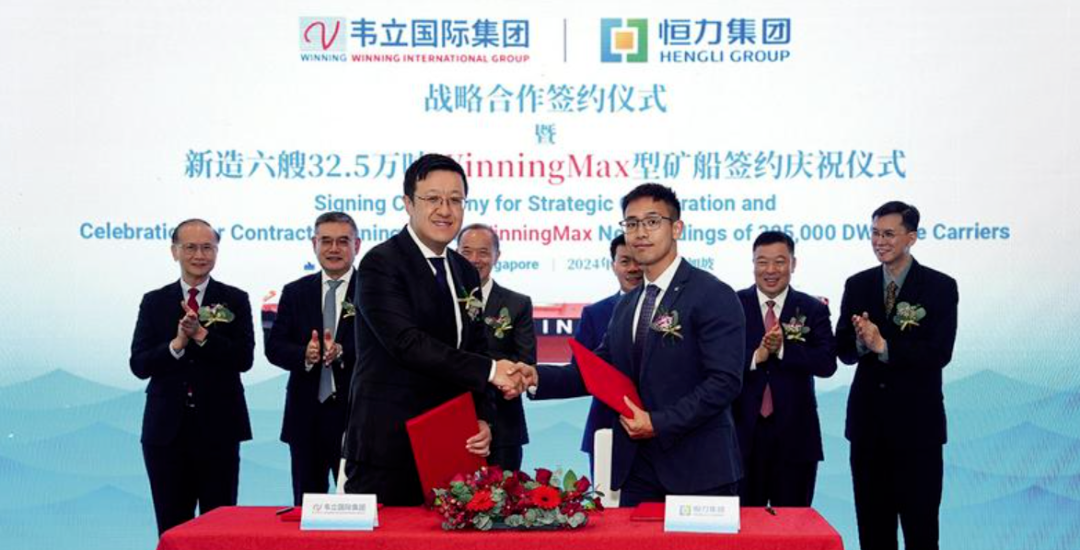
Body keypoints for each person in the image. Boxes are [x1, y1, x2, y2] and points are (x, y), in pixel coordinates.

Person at [522, 183, 745, 506]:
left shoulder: (712, 294)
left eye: (652, 221)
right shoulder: (628, 304)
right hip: (637, 470)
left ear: (677, 228)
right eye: (631, 223)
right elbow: (598, 370)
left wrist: (657, 423)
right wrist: (535, 376)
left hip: (699, 470)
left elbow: (724, 382)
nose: (640, 232)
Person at [341, 154, 526, 505]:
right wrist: (491, 371)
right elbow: (407, 344)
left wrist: (482, 419)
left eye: (455, 200)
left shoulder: (464, 270)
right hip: (389, 447)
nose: (445, 210)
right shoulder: (381, 263)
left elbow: (476, 348)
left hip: (452, 445)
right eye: (433, 199)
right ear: (408, 203)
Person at [837, 201, 958, 550]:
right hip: (868, 430)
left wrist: (884, 346)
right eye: (875, 233)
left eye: (889, 234)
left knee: (921, 531)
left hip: (918, 430)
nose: (880, 241)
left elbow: (939, 353)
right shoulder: (858, 284)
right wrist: (861, 343)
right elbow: (843, 350)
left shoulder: (939, 286)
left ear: (911, 237)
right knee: (873, 531)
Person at [129, 219, 254, 536]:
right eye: (191, 247)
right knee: (172, 528)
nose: (200, 255)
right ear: (175, 252)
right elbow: (139, 364)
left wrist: (201, 335)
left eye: (207, 247)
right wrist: (176, 345)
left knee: (219, 529)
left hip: (219, 429)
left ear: (216, 252)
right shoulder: (154, 301)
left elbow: (244, 359)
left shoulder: (235, 299)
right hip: (165, 432)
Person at [733, 231, 836, 507]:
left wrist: (782, 350)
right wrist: (756, 356)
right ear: (753, 264)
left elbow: (827, 363)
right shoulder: (732, 305)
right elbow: (716, 360)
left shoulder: (812, 308)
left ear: (793, 264)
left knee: (794, 523)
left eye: (779, 262)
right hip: (742, 436)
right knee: (743, 525)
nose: (770, 270)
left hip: (796, 438)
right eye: (762, 262)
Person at [265, 212, 361, 505]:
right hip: (305, 418)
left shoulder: (373, 290)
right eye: (326, 241)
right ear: (314, 244)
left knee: (358, 507)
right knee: (306, 509)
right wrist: (304, 355)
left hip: (356, 419)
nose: (334, 249)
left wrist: (343, 351)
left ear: (356, 245)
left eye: (342, 241)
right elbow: (275, 347)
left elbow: (385, 347)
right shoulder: (295, 292)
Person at [457, 223, 537, 472]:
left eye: (483, 252)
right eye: (466, 251)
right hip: (452, 418)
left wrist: (488, 369)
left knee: (505, 494)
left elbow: (525, 360)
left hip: (503, 424)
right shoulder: (440, 299)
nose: (474, 259)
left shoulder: (517, 303)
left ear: (496, 256)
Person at [574, 234, 642, 474]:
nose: (633, 268)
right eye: (625, 261)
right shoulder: (594, 314)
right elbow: (579, 372)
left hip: (660, 429)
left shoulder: (672, 308)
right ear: (613, 265)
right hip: (606, 428)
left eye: (637, 260)